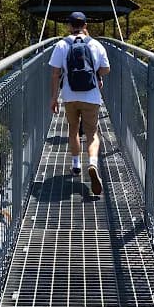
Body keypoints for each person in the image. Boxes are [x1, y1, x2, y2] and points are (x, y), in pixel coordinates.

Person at [49, 11, 110, 196]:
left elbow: (55, 74)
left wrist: (54, 98)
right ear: (85, 25)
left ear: (69, 26)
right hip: (91, 96)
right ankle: (92, 163)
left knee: (73, 130)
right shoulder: (96, 44)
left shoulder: (61, 44)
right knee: (92, 134)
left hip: (69, 95)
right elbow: (106, 69)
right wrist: (97, 74)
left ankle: (75, 165)